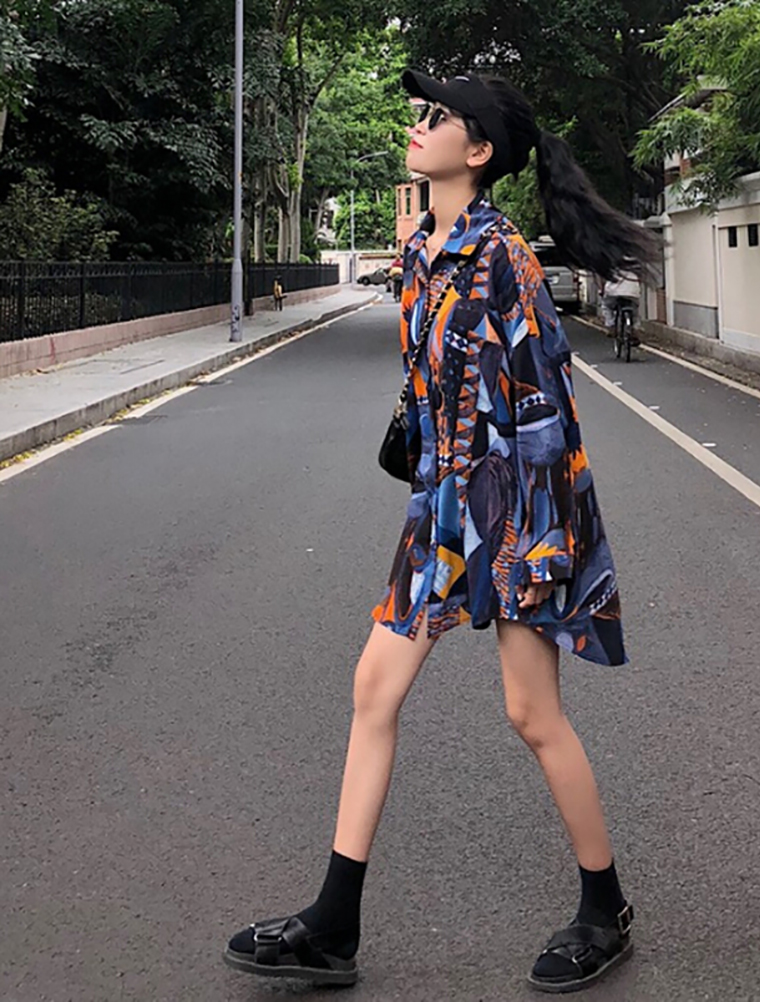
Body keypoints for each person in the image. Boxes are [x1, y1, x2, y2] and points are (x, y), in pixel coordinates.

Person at [222, 68, 659, 994]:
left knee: (531, 714)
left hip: (516, 507)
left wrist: (538, 545)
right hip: (441, 506)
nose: (418, 126)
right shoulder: (422, 248)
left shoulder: (505, 258)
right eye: (420, 113)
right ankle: (334, 924)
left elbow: (549, 408)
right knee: (372, 688)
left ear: (481, 150)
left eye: (440, 116)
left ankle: (605, 909)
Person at [600, 270, 642, 346]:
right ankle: (635, 329)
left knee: (606, 306)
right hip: (632, 293)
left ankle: (611, 325)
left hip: (613, 293)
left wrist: (602, 291)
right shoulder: (634, 267)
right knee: (635, 311)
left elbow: (604, 280)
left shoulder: (611, 267)